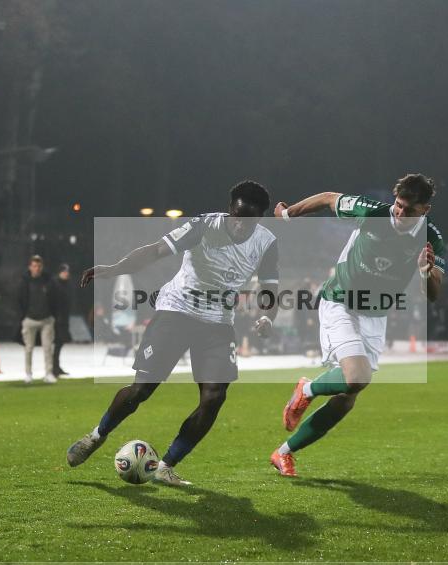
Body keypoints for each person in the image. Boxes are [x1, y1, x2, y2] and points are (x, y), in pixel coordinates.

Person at [67, 181, 279, 486]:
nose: (240, 225)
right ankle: (96, 436)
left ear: (259, 218)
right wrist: (114, 268)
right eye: (236, 217)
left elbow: (269, 288)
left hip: (218, 322)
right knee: (142, 389)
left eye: (249, 220)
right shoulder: (204, 225)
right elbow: (155, 250)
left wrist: (267, 317)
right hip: (176, 311)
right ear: (229, 209)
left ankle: (166, 466)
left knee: (214, 397)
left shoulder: (266, 242)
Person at [268, 174, 445, 477]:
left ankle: (283, 453)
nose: (400, 214)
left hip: (375, 316)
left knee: (345, 401)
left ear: (425, 210)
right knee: (358, 377)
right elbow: (328, 197)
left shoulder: (431, 238)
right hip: (341, 302)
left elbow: (434, 294)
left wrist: (426, 272)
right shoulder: (373, 212)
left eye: (410, 210)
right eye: (399, 206)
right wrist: (288, 214)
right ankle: (307, 388)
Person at [17, 255, 58, 384]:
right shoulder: (25, 281)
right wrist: (23, 316)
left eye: (39, 266)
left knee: (48, 348)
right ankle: (28, 374)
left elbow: (55, 298)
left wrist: (53, 315)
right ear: (30, 267)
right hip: (30, 319)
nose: (37, 268)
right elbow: (19, 300)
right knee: (28, 348)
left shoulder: (48, 280)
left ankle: (48, 373)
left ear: (42, 267)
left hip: (46, 319)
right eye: (34, 266)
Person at [53, 264, 73, 377]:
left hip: (63, 318)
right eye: (64, 271)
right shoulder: (55, 284)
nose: (67, 273)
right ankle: (54, 367)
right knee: (57, 343)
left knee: (59, 344)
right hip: (57, 319)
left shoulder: (66, 284)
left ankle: (56, 366)